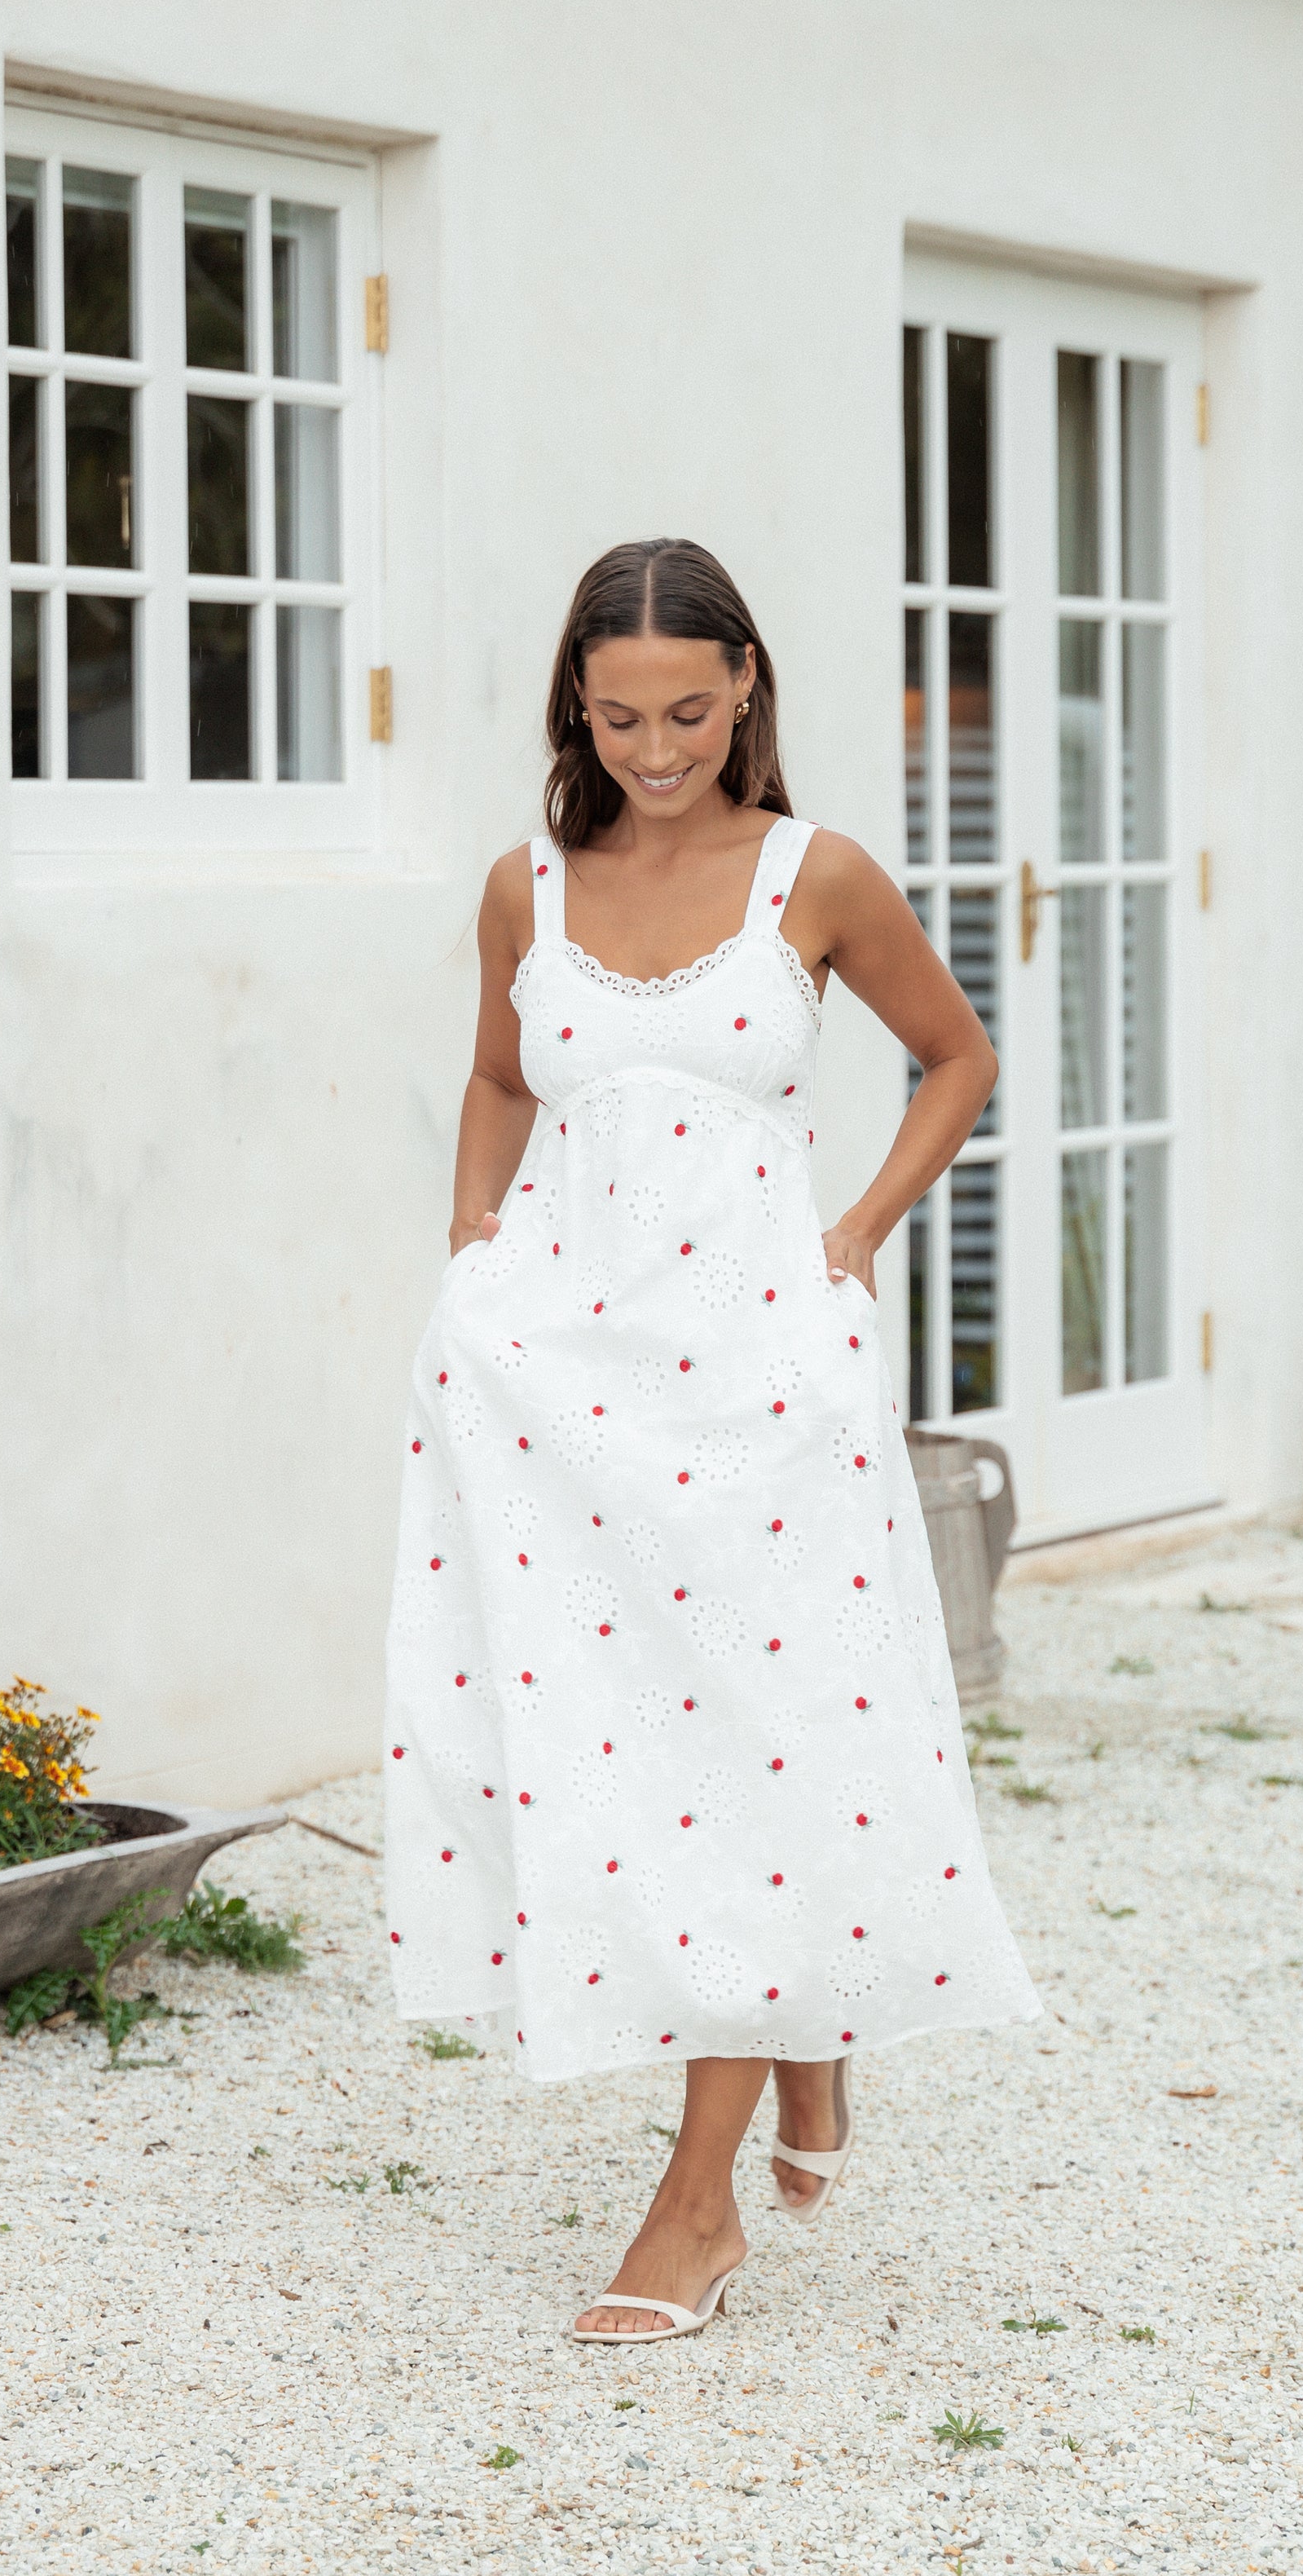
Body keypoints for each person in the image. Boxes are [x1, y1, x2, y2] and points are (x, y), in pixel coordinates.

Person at [385, 537, 1040, 2343]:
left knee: (760, 1745)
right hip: (575, 1380)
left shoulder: (813, 878)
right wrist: (470, 1249)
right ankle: (802, 2028)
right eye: (618, 716)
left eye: (687, 709)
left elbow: (958, 1058)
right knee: (618, 1746)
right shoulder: (530, 885)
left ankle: (696, 2206)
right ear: (572, 707)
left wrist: (850, 1242)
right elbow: (506, 1077)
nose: (655, 748)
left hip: (765, 1374)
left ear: (746, 681)